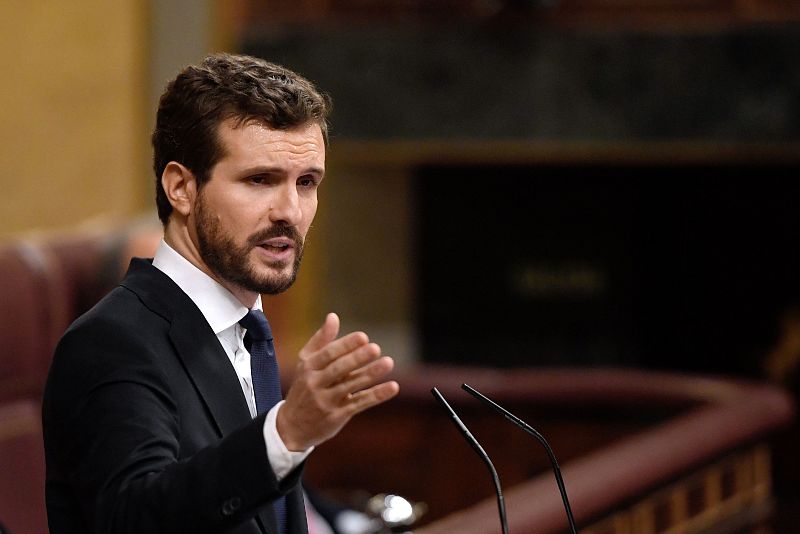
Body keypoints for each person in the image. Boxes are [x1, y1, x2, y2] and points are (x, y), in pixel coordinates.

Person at [42, 53, 400, 534]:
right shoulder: (113, 341)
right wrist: (287, 433)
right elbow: (131, 518)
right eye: (260, 180)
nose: (290, 211)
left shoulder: (246, 331)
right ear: (181, 188)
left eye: (307, 182)